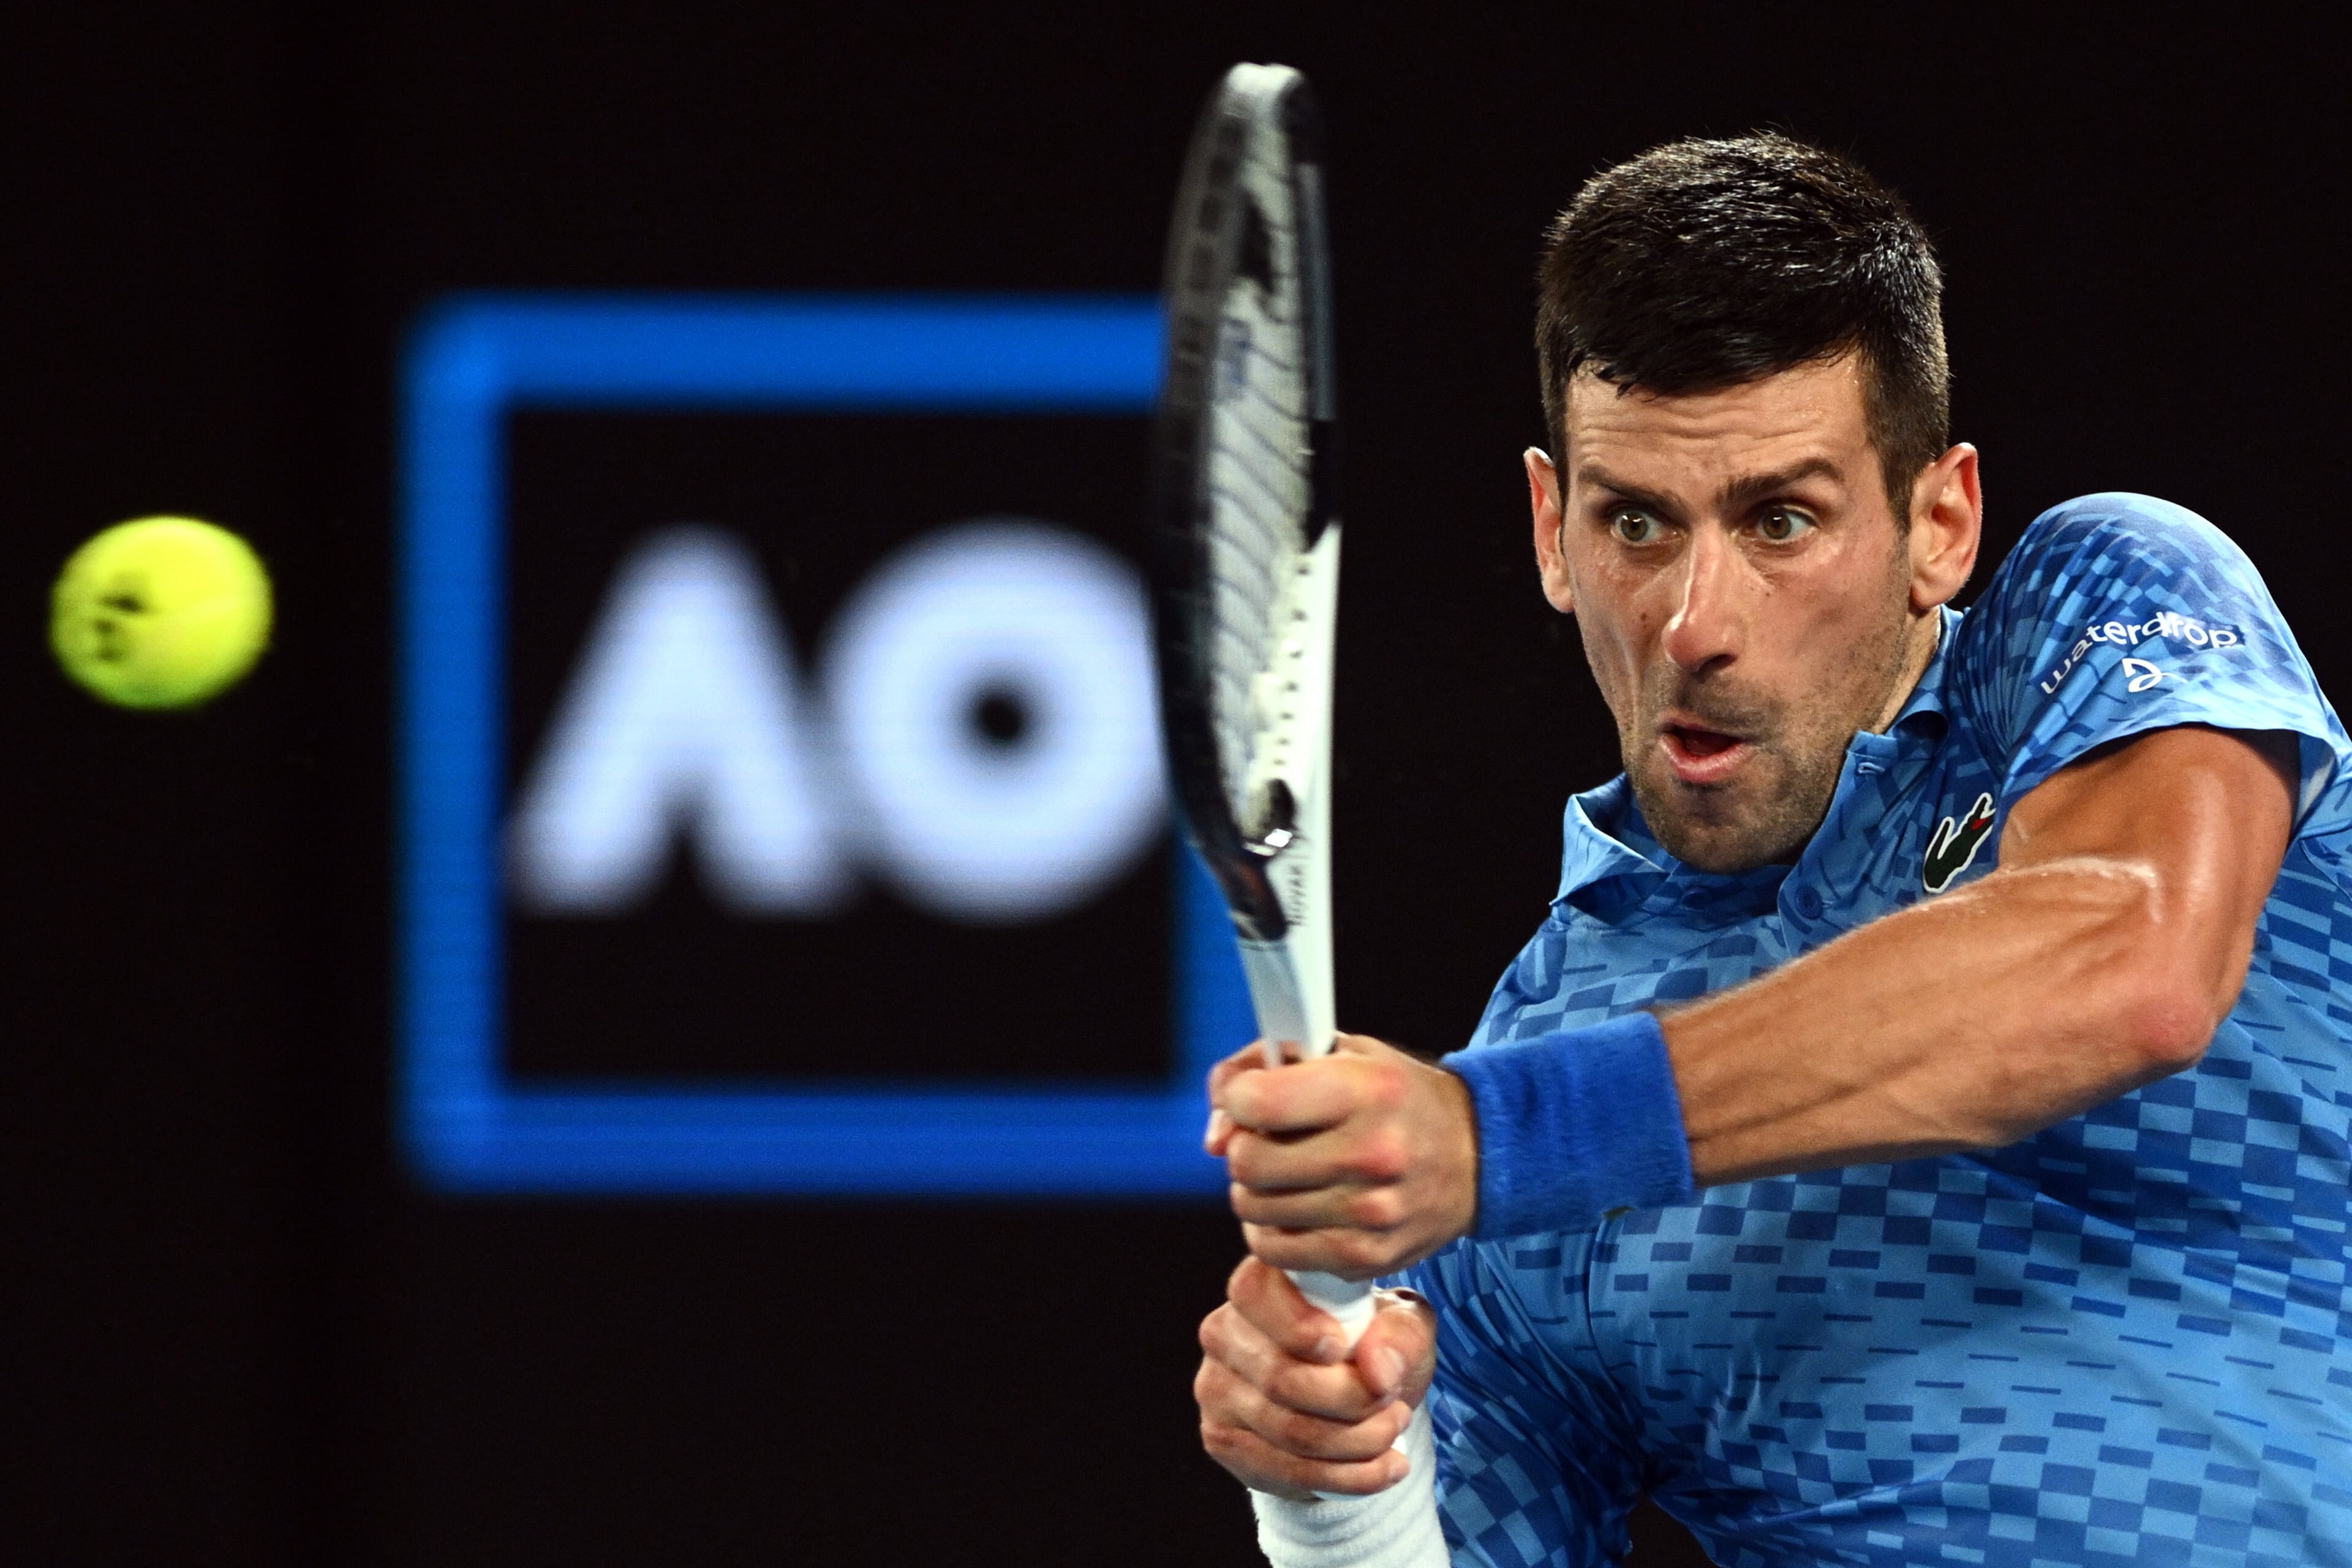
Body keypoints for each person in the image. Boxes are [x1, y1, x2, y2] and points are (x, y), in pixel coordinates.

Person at [1193, 133, 2352, 1567]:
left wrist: (1505, 1135)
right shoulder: (1501, 1178)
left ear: (1942, 521)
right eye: (1637, 523)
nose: (1696, 622)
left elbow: (2136, 961)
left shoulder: (2091, 622)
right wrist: (1325, 1488)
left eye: (1783, 518)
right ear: (1552, 532)